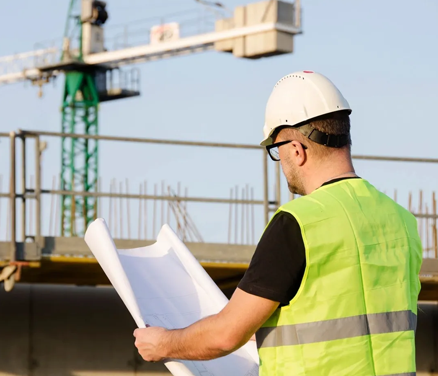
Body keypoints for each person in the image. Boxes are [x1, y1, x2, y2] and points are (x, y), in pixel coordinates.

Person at [133, 71, 423, 376]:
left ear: (296, 151)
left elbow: (226, 334)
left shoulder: (297, 223)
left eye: (277, 151)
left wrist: (164, 343)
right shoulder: (402, 222)